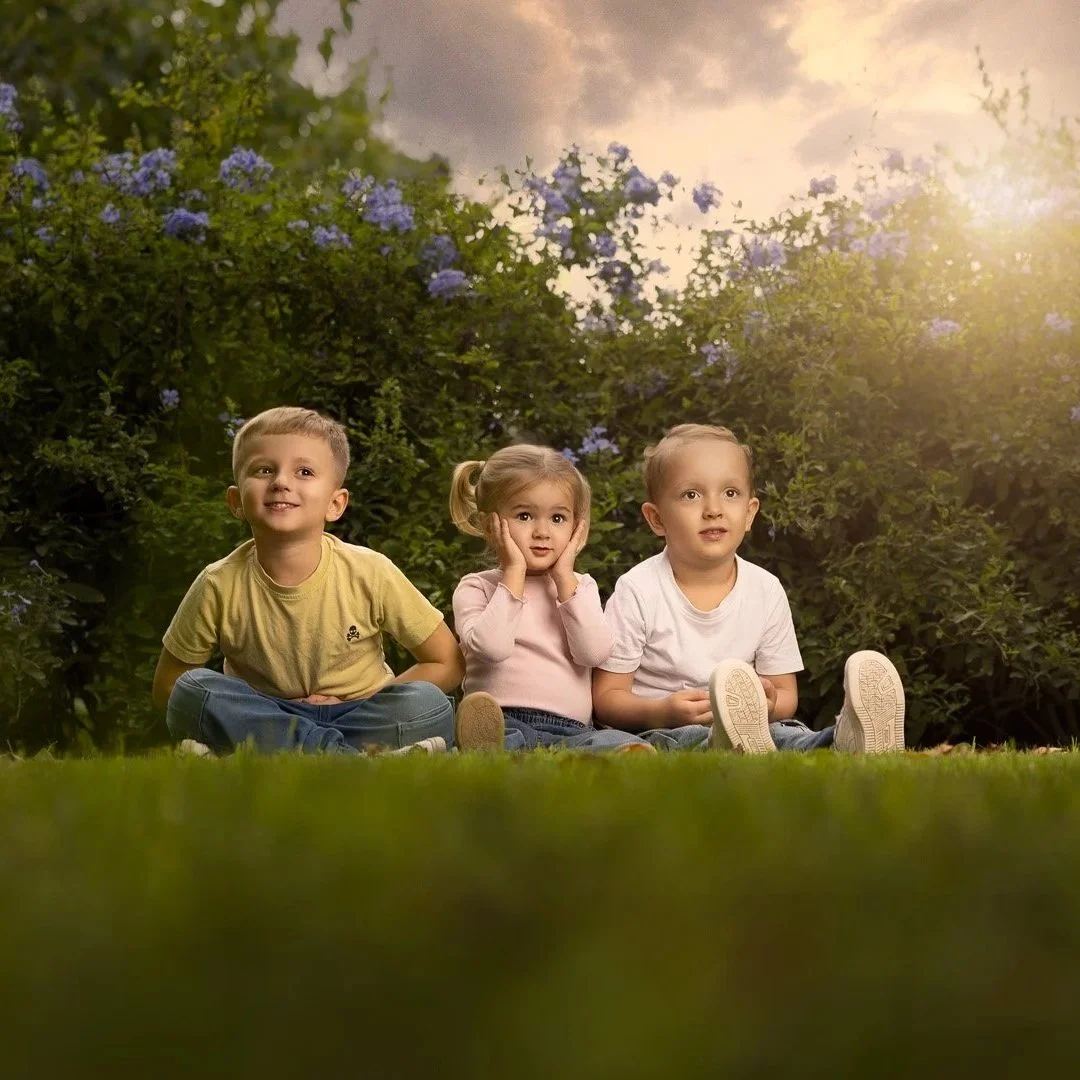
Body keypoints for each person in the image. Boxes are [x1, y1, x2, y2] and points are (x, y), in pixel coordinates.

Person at [152, 406, 463, 755]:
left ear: (335, 503)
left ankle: (290, 751)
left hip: (359, 712)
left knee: (428, 704)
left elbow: (447, 661)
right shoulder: (218, 583)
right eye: (264, 469)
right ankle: (350, 759)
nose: (281, 482)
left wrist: (372, 698)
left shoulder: (370, 571)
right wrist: (263, 711)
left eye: (304, 471)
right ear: (236, 501)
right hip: (265, 714)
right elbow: (169, 684)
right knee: (195, 692)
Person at [592, 423, 905, 753]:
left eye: (730, 493)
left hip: (755, 724)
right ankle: (727, 744)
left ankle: (844, 739)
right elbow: (607, 699)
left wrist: (768, 703)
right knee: (682, 740)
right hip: (667, 728)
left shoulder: (765, 590)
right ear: (656, 519)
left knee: (786, 733)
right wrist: (663, 711)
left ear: (749, 513)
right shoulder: (638, 590)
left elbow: (786, 696)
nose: (713, 509)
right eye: (691, 495)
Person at [450, 444, 652, 753]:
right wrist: (514, 572)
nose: (543, 531)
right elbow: (493, 647)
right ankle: (486, 748)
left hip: (573, 728)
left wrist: (564, 580)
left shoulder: (579, 587)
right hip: (502, 720)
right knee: (505, 740)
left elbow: (594, 653)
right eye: (525, 515)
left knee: (614, 742)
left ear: (576, 528)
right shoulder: (477, 587)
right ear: (491, 525)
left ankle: (684, 739)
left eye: (558, 518)